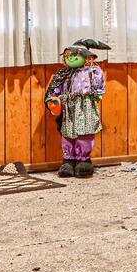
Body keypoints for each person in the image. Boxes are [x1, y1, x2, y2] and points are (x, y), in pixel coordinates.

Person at [44, 38, 108, 177]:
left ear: (86, 57)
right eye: (68, 57)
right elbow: (55, 89)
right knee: (67, 133)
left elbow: (99, 88)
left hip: (85, 107)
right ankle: (69, 160)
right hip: (68, 108)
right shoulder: (63, 74)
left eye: (75, 56)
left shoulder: (93, 71)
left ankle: (83, 160)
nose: (71, 59)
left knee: (84, 133)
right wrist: (53, 99)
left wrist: (96, 95)